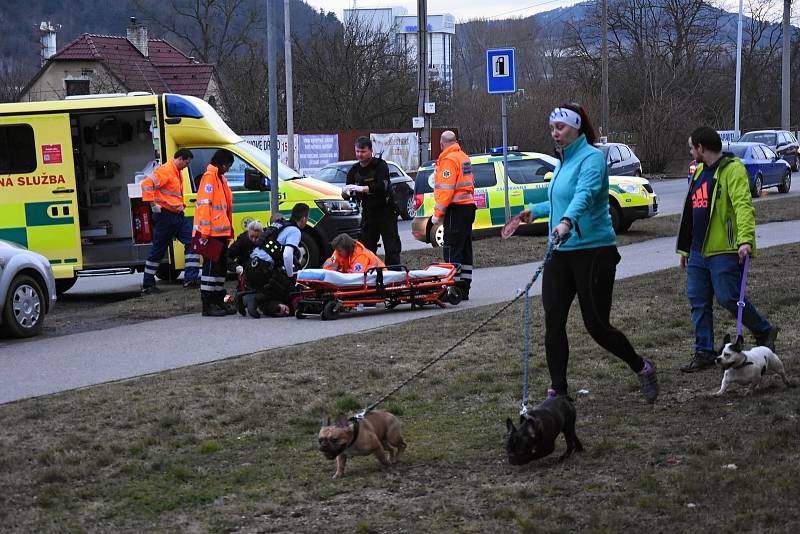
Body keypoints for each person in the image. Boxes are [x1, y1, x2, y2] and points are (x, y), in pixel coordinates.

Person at [518, 103, 658, 403]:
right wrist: (536, 211)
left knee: (597, 326)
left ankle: (642, 367)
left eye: (561, 128)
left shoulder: (592, 159)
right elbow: (560, 201)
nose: (555, 133)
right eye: (552, 128)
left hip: (594, 252)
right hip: (561, 252)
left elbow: (584, 195)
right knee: (553, 322)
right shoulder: (562, 162)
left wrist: (568, 222)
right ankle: (559, 392)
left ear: (577, 128)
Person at [677, 127, 779, 372]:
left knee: (728, 297)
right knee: (698, 301)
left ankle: (764, 331)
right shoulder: (700, 172)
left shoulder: (733, 170)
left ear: (701, 147)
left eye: (692, 147)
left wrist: (745, 240)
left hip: (723, 249)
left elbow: (744, 206)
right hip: (698, 251)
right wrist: (684, 249)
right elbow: (691, 213)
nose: (690, 152)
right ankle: (703, 351)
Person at [140, 148, 201, 293]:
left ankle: (191, 279)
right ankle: (148, 285)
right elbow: (146, 184)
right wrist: (153, 204)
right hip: (166, 217)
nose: (187, 166)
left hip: (176, 215)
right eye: (186, 163)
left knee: (193, 241)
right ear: (180, 158)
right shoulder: (166, 171)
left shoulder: (176, 171)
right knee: (158, 251)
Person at [235, 203, 310, 318]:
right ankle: (255, 299)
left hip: (251, 266)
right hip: (263, 269)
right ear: (304, 219)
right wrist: (291, 277)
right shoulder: (295, 231)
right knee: (290, 291)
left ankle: (244, 296)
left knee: (271, 288)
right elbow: (287, 255)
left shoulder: (279, 225)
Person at [341, 136, 402, 267]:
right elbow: (347, 190)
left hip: (386, 211)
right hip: (368, 213)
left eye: (363, 152)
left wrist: (363, 188)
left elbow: (383, 187)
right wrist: (346, 192)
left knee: (392, 247)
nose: (360, 155)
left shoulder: (380, 166)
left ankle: (394, 275)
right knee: (366, 247)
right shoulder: (354, 170)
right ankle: (369, 274)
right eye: (357, 151)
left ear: (370, 151)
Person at [431, 130, 476, 300]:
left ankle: (451, 289)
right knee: (465, 248)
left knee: (451, 250)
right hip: (468, 208)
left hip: (455, 209)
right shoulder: (463, 157)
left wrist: (437, 213)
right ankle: (464, 288)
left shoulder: (449, 159)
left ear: (442, 144)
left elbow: (446, 190)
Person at [193, 149, 236, 317]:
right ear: (223, 164)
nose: (229, 169)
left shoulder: (220, 179)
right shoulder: (209, 179)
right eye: (228, 166)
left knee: (219, 269)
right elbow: (204, 206)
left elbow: (225, 209)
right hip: (209, 234)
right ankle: (208, 303)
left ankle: (218, 300)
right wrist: (204, 233)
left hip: (220, 233)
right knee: (210, 270)